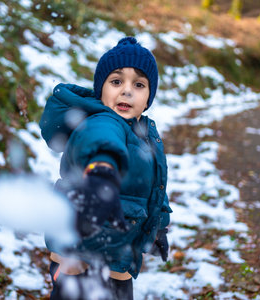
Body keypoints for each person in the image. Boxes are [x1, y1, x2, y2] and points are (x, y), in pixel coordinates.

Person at [39, 36, 171, 300]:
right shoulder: (102, 121)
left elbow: (153, 186)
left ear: (148, 98)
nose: (127, 91)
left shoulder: (145, 136)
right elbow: (102, 145)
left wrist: (158, 226)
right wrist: (101, 172)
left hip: (118, 252)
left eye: (139, 84)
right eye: (116, 81)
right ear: (101, 90)